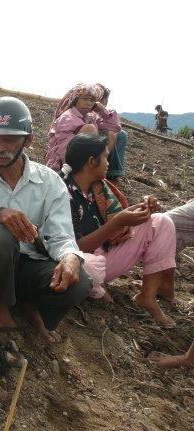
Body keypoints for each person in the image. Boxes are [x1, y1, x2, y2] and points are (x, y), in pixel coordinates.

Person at [0, 97, 91, 343]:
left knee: (79, 283)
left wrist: (70, 257)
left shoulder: (50, 182)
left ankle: (27, 305)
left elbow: (61, 236)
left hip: (28, 267)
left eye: (10, 139)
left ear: (28, 140)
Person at [60, 133, 177, 327]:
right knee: (88, 266)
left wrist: (141, 210)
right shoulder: (64, 193)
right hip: (81, 260)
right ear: (91, 161)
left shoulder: (99, 188)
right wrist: (116, 223)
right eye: (106, 157)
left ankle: (147, 296)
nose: (109, 162)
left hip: (105, 255)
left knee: (162, 222)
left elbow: (117, 220)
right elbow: (74, 247)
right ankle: (95, 287)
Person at [46, 83, 121, 171]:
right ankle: (85, 170)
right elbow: (63, 148)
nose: (89, 103)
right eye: (85, 99)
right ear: (75, 100)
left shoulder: (90, 116)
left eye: (92, 100)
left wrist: (103, 110)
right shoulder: (67, 117)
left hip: (83, 160)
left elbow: (114, 128)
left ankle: (94, 166)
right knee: (90, 129)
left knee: (111, 135)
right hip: (62, 165)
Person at [95, 84, 127, 181]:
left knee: (121, 134)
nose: (104, 102)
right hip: (90, 138)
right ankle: (108, 169)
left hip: (105, 140)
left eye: (105, 99)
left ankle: (113, 171)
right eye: (102, 99)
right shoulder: (86, 110)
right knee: (111, 135)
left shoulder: (108, 112)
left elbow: (115, 127)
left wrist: (102, 111)